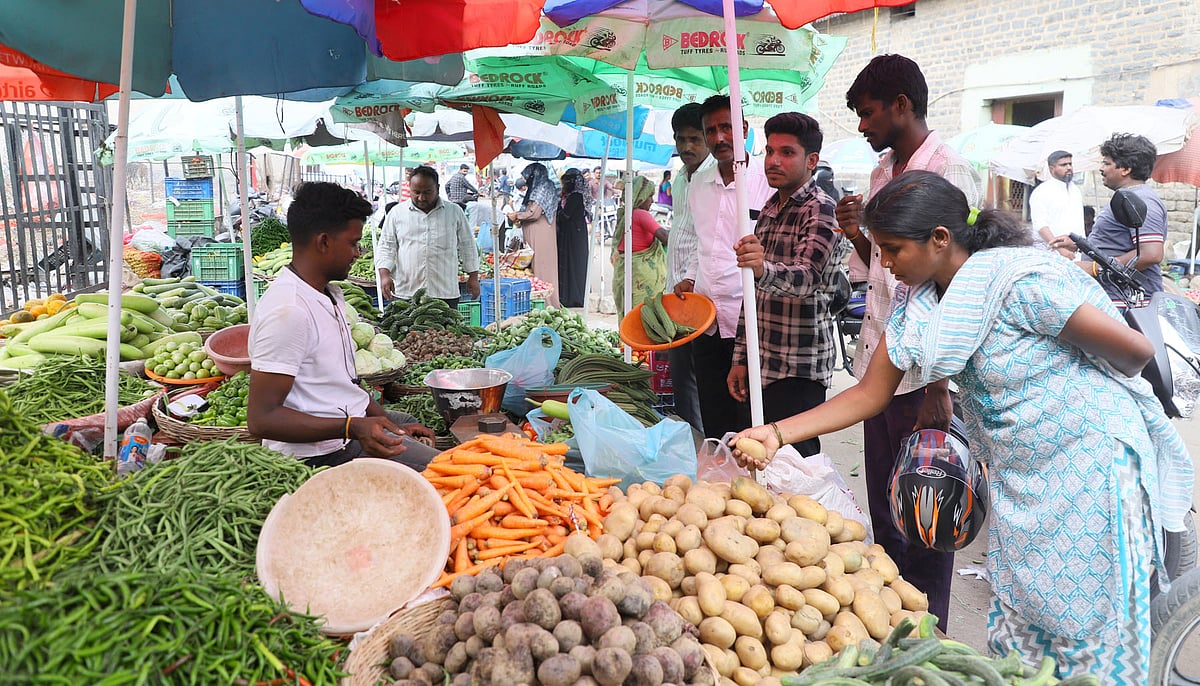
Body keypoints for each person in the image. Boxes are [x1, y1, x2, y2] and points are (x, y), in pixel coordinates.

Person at [732, 170, 1193, 684]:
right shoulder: (923, 304)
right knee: (1028, 613)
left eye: (893, 249)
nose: (883, 262)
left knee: (1090, 622)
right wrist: (775, 434)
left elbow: (1136, 353)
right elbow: (870, 392)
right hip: (1023, 471)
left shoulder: (1020, 284)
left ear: (940, 239)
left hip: (1089, 463)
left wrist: (1062, 382)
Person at [835, 53, 983, 633]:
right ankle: (891, 626)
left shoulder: (950, 169)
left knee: (928, 512)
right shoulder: (880, 175)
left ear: (902, 105)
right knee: (885, 509)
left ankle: (931, 632)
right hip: (882, 359)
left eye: (868, 114)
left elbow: (956, 283)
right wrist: (859, 236)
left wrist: (939, 385)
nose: (864, 127)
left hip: (927, 376)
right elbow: (886, 271)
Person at [247, 182, 435, 468]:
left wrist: (379, 420)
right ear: (323, 242)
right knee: (443, 473)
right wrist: (353, 427)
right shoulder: (289, 311)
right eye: (352, 243)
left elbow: (343, 384)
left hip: (346, 430)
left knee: (409, 423)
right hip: (322, 454)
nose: (358, 253)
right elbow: (261, 420)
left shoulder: (328, 294)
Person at [728, 112, 842, 457]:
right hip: (763, 362)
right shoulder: (770, 208)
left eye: (787, 152)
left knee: (798, 466)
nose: (774, 160)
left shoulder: (820, 209)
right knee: (760, 460)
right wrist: (739, 356)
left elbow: (808, 278)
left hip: (799, 367)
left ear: (812, 161)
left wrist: (762, 268)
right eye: (769, 151)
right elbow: (753, 292)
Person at [686, 94, 774, 440]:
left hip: (750, 318)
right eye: (712, 131)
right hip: (706, 319)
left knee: (751, 417)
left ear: (745, 130)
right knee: (715, 416)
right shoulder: (699, 183)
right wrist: (690, 277)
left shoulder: (766, 181)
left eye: (727, 128)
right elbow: (700, 242)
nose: (720, 138)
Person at [1050, 133, 1167, 306]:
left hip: (1128, 303)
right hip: (1112, 297)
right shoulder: (1127, 197)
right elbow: (1117, 243)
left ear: (1125, 169)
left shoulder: (1142, 200)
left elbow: (1150, 254)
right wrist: (1081, 246)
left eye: (1107, 163)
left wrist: (1094, 268)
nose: (1101, 169)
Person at [665, 103, 715, 434]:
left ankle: (706, 440)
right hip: (677, 292)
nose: (687, 147)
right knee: (681, 373)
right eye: (681, 139)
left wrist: (692, 278)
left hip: (702, 293)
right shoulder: (681, 179)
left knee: (703, 377)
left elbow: (709, 239)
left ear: (708, 140)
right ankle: (691, 439)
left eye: (695, 139)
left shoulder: (715, 179)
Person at [376, 165, 480, 308]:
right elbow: (386, 246)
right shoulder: (397, 213)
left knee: (445, 331)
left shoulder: (454, 212)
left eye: (427, 192)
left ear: (437, 188)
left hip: (444, 293)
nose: (421, 197)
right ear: (410, 188)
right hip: (406, 292)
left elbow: (468, 245)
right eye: (416, 192)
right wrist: (384, 275)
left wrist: (473, 276)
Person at [612, 175, 669, 319]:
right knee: (643, 313)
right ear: (641, 197)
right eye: (650, 196)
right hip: (639, 274)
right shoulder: (640, 214)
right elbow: (665, 237)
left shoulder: (626, 214)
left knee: (629, 312)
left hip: (626, 271)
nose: (652, 201)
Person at [509, 163, 561, 307]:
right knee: (538, 267)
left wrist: (516, 215)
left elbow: (534, 213)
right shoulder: (540, 187)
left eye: (529, 177)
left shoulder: (542, 188)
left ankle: (546, 303)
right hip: (538, 232)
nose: (527, 181)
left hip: (540, 233)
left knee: (542, 267)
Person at [1028, 150, 1083, 257]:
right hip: (1051, 253)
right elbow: (1041, 225)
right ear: (1052, 169)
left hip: (1076, 251)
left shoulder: (1075, 190)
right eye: (1063, 165)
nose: (1069, 168)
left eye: (1070, 164)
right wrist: (1059, 249)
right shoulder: (1041, 192)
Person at [557, 169, 590, 308]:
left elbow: (565, 216)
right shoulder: (572, 196)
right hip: (574, 233)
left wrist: (558, 207)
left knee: (574, 265)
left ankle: (573, 298)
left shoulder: (575, 197)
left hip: (573, 236)